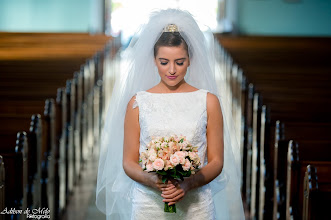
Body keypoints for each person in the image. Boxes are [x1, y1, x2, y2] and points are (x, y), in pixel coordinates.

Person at [96, 8, 244, 220]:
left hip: (197, 205)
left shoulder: (208, 101)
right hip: (148, 203)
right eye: (164, 62)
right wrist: (157, 182)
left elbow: (216, 161)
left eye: (180, 62)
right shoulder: (138, 102)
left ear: (190, 59)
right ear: (154, 60)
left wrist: (188, 183)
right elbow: (128, 162)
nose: (172, 70)